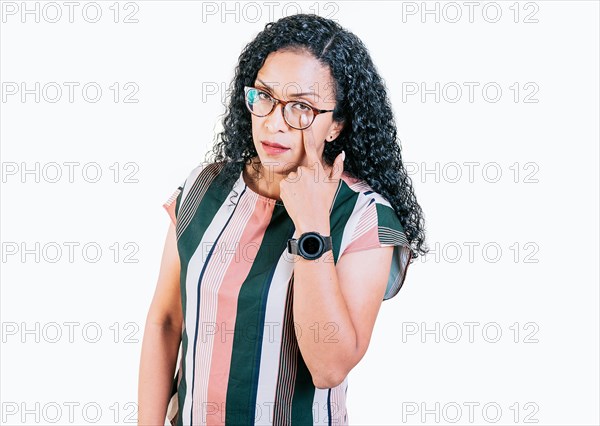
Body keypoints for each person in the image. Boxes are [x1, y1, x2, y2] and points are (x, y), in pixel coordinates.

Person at [138, 13, 427, 426]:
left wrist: (312, 227)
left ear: (336, 125)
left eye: (302, 108)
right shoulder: (205, 187)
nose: (274, 122)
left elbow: (329, 366)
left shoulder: (365, 217)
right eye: (266, 97)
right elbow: (166, 322)